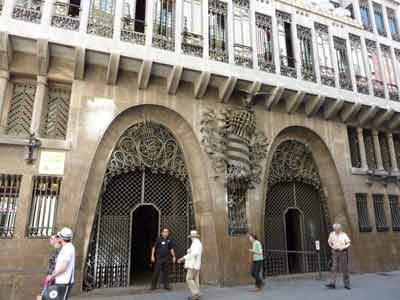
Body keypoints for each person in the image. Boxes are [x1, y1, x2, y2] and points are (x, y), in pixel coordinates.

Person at [45, 227, 75, 299]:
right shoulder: (67, 247)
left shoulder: (67, 249)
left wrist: (51, 276)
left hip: (64, 281)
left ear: (61, 238)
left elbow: (63, 268)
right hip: (62, 281)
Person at [178, 230, 203, 300]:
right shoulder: (197, 243)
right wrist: (189, 251)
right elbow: (194, 252)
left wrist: (183, 258)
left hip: (193, 264)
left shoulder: (196, 243)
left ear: (192, 237)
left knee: (189, 278)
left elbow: (194, 254)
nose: (191, 238)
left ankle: (196, 293)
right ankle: (196, 296)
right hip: (196, 264)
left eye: (191, 237)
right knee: (195, 279)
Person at [325, 223, 351, 290]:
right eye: (336, 229)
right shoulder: (332, 234)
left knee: (344, 268)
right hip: (335, 252)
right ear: (334, 229)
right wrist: (332, 246)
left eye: (338, 229)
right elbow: (329, 241)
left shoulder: (343, 234)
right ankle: (332, 283)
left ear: (340, 229)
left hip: (342, 252)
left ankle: (347, 284)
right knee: (334, 268)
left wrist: (344, 247)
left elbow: (348, 242)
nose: (337, 230)